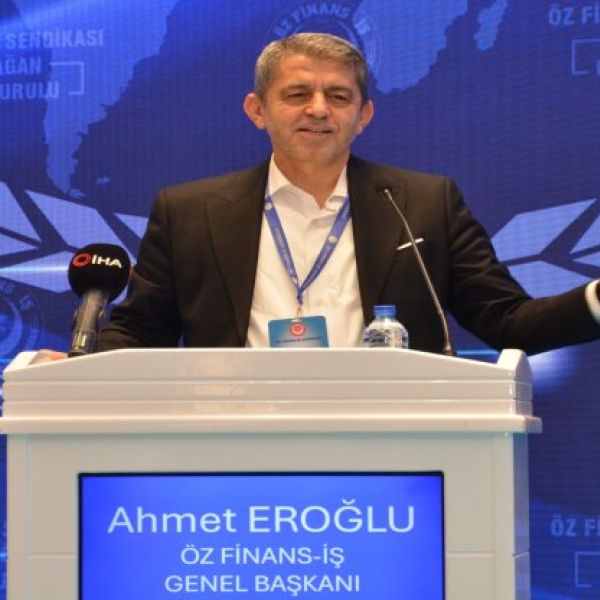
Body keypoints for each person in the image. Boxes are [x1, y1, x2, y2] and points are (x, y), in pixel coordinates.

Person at [93, 32, 600, 355]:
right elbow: (141, 332)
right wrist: (75, 367)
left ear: (363, 116)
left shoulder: (425, 205)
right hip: (233, 439)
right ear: (257, 110)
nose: (318, 109)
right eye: (297, 94)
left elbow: (509, 323)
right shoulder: (189, 212)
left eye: (338, 96)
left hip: (389, 444)